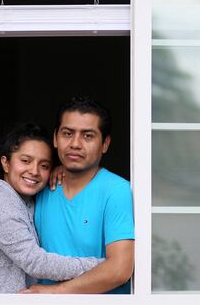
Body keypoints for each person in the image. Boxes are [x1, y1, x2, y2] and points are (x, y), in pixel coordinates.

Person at [0, 123, 103, 293]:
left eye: (44, 165)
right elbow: (35, 262)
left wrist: (63, 170)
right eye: (25, 161)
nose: (34, 171)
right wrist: (106, 266)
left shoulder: (26, 202)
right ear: (6, 163)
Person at [21, 97, 134, 294]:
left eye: (88, 136)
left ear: (105, 144)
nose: (75, 144)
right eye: (67, 133)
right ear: (55, 138)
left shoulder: (116, 191)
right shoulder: (39, 185)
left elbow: (119, 270)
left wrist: (56, 292)